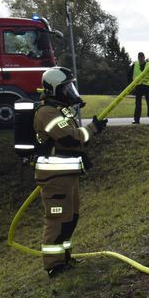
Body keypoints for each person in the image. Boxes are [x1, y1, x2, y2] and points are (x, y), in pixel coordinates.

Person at [32, 67, 107, 276]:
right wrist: (92, 129)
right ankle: (54, 265)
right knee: (57, 220)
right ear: (54, 89)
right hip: (55, 177)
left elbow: (74, 138)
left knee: (70, 218)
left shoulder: (59, 110)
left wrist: (91, 130)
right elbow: (68, 137)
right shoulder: (46, 111)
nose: (70, 91)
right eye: (66, 88)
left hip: (67, 175)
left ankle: (64, 258)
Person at [128, 52, 149, 124]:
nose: (141, 59)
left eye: (142, 57)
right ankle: (136, 119)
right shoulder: (135, 65)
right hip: (138, 87)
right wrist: (131, 86)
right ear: (138, 58)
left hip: (148, 87)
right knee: (138, 104)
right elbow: (129, 75)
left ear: (144, 57)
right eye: (139, 57)